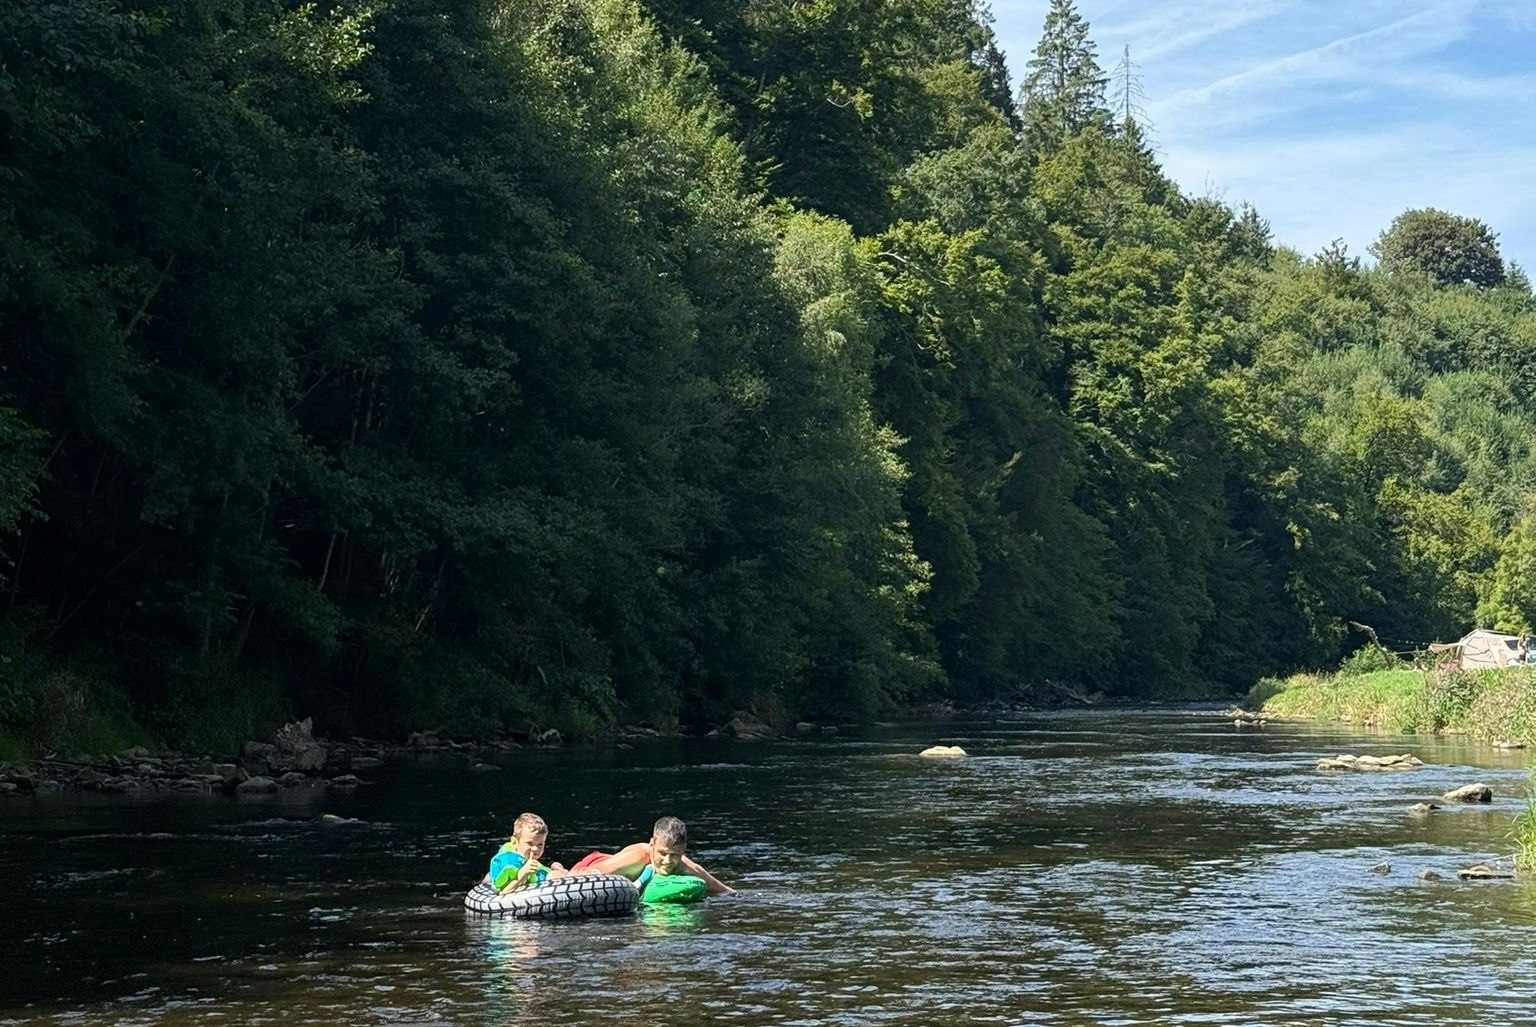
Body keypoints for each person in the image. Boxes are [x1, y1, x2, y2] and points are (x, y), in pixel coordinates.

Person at [570, 815, 733, 895]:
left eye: (675, 855)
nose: (668, 861)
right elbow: (581, 874)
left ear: (683, 851)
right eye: (662, 853)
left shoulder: (687, 866)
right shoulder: (636, 858)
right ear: (652, 844)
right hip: (596, 861)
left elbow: (724, 891)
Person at [487, 812, 567, 894]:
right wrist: (523, 873)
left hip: (528, 868)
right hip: (508, 880)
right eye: (530, 843)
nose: (536, 848)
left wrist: (552, 865)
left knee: (557, 872)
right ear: (514, 842)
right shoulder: (509, 863)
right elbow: (502, 893)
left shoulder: (526, 852)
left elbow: (542, 863)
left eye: (540, 844)